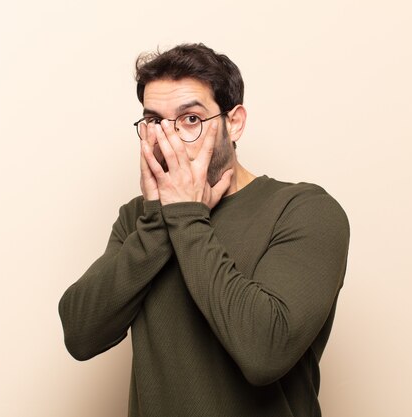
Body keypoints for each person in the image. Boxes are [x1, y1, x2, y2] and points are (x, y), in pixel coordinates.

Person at [58, 43, 350, 417]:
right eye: (154, 122)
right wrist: (159, 223)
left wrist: (185, 216)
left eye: (191, 120)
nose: (170, 140)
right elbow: (81, 335)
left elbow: (265, 352)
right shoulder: (141, 218)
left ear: (235, 122)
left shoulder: (303, 210)